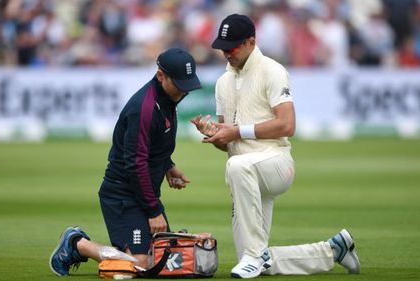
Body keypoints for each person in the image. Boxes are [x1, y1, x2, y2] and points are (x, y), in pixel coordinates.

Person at [191, 14, 360, 279]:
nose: (226, 53)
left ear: (251, 42)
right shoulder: (223, 82)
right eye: (223, 47)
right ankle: (333, 250)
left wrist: (237, 131)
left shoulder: (273, 71)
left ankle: (254, 256)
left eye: (232, 47)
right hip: (245, 174)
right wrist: (216, 134)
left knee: (236, 167)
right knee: (254, 260)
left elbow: (287, 125)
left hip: (275, 163)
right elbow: (228, 139)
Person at [49, 47, 202, 276]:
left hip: (141, 192)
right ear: (160, 75)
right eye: (179, 84)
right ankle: (76, 243)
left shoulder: (168, 96)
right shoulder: (144, 108)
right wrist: (153, 211)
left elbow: (152, 144)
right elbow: (135, 162)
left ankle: (118, 248)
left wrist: (168, 166)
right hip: (122, 195)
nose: (184, 91)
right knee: (140, 264)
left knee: (162, 262)